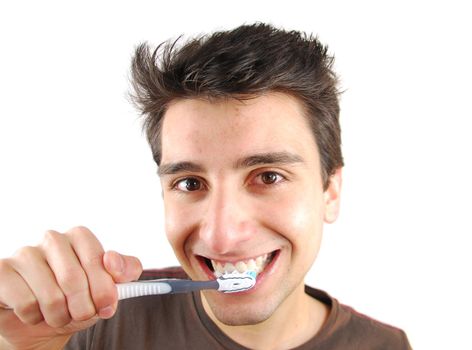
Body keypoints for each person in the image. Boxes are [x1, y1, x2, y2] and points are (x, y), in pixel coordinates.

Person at [0, 23, 411, 349]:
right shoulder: (88, 326)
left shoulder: (384, 347)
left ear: (330, 191)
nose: (222, 236)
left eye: (268, 177)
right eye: (191, 182)